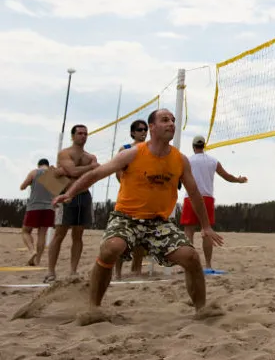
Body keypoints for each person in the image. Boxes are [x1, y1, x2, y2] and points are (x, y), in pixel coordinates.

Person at [51, 109, 223, 324]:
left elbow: (195, 194)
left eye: (173, 120)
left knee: (191, 257)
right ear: (152, 127)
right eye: (165, 120)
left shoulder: (180, 160)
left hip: (159, 222)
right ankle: (93, 309)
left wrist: (206, 227)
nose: (171, 123)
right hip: (127, 217)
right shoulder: (132, 153)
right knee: (110, 248)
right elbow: (96, 174)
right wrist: (69, 193)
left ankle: (202, 309)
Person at [181, 135, 247, 272]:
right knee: (206, 231)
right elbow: (226, 176)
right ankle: (208, 265)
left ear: (193, 147)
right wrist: (238, 180)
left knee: (188, 232)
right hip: (207, 198)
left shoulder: (187, 160)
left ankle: (189, 266)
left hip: (191, 197)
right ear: (204, 146)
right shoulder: (212, 161)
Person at [46, 124, 99, 283]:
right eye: (80, 133)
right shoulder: (65, 153)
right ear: (73, 136)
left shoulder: (90, 156)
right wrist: (88, 168)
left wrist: (67, 172)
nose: (83, 136)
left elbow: (93, 176)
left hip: (83, 195)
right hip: (66, 196)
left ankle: (73, 270)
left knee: (78, 235)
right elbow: (76, 172)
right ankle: (51, 271)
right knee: (59, 234)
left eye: (85, 133)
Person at [114, 119, 148, 279]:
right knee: (122, 236)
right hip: (127, 199)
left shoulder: (150, 149)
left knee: (141, 238)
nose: (143, 132)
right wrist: (129, 187)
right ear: (133, 132)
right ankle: (118, 272)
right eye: (140, 130)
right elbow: (118, 172)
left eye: (145, 129)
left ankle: (137, 269)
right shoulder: (126, 149)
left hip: (145, 200)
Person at [19, 158, 55, 266]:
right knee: (42, 234)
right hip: (49, 207)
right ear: (48, 165)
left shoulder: (34, 172)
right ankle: (38, 260)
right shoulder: (53, 175)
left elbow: (22, 187)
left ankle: (32, 250)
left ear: (39, 165)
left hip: (35, 206)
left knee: (25, 231)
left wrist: (31, 183)